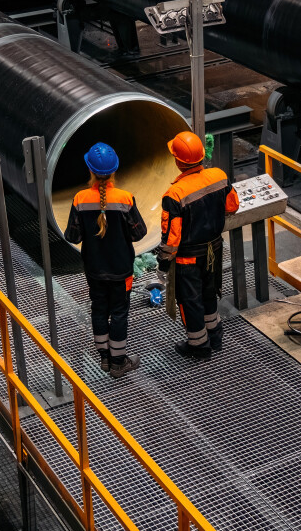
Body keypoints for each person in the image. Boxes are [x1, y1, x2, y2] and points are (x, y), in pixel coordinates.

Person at [64, 143, 148, 378]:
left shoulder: (80, 199)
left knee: (99, 309)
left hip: (94, 269)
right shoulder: (125, 198)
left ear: (90, 171)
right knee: (120, 311)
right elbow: (139, 233)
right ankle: (119, 362)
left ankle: (104, 357)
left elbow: (73, 236)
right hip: (121, 269)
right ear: (114, 172)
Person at [157, 131, 239, 359]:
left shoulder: (174, 194)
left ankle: (199, 346)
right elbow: (232, 207)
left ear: (178, 161)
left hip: (188, 260)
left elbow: (172, 238)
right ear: (202, 156)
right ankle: (215, 337)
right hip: (214, 250)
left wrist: (163, 264)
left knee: (190, 301)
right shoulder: (219, 176)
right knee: (209, 292)